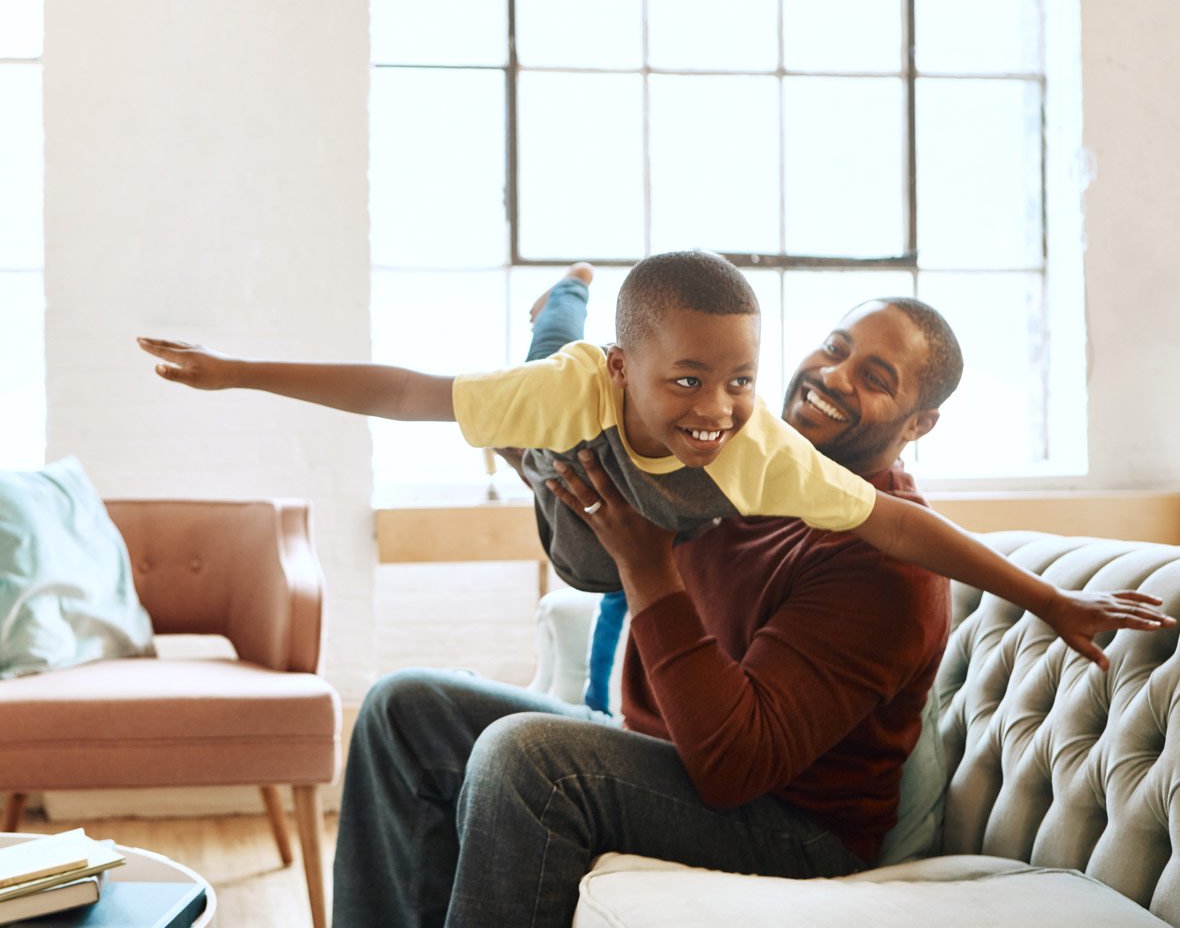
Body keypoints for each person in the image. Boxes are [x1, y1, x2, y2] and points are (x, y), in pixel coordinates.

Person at [138, 249, 1167, 667]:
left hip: (611, 541)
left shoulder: (756, 448)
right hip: (563, 460)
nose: (717, 409)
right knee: (541, 362)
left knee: (619, 560)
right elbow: (405, 393)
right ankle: (569, 294)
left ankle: (588, 324)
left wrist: (1046, 598)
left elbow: (899, 523)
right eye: (689, 380)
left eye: (740, 378)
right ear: (631, 368)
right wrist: (237, 372)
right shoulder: (578, 388)